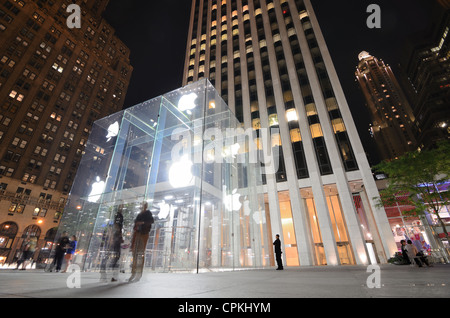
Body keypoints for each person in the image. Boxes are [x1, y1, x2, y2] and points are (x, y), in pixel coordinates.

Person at [128, 201, 154, 283]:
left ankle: (138, 274)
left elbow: (150, 222)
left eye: (143, 205)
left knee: (140, 253)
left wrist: (142, 223)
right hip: (137, 234)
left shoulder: (148, 214)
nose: (141, 206)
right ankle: (133, 273)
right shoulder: (139, 215)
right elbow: (135, 225)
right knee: (135, 253)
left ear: (145, 206)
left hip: (143, 234)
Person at [100, 205, 124, 282]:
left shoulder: (116, 225)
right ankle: (108, 274)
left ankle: (109, 274)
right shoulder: (115, 223)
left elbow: (117, 230)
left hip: (115, 241)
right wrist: (113, 239)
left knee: (115, 257)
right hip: (114, 242)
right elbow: (114, 229)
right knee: (112, 257)